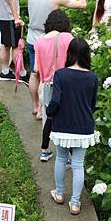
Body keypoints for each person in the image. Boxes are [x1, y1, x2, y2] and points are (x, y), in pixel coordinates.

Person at [27, 0, 87, 118]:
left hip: (32, 37)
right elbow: (82, 4)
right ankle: (46, 106)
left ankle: (36, 106)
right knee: (50, 75)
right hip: (49, 39)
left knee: (35, 74)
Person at [46, 38, 98, 215]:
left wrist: (50, 112)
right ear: (86, 55)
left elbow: (56, 100)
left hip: (62, 124)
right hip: (84, 126)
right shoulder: (92, 77)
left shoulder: (61, 74)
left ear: (69, 53)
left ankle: (59, 193)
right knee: (78, 164)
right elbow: (92, 104)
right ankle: (75, 203)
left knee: (61, 158)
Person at [33, 11, 74, 161]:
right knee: (66, 121)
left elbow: (36, 69)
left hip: (46, 86)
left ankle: (45, 151)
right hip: (65, 86)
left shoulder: (39, 42)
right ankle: (68, 156)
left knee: (47, 118)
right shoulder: (67, 38)